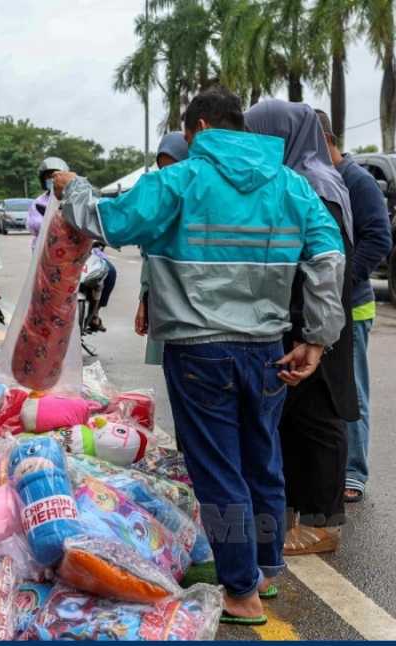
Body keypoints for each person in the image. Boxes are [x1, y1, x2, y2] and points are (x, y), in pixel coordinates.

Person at [54, 87, 345, 625]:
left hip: (197, 352)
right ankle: (263, 568)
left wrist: (73, 188)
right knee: (263, 461)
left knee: (219, 470)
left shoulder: (179, 181)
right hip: (267, 350)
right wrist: (318, 337)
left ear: (201, 127)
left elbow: (106, 220)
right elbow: (329, 255)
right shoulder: (290, 185)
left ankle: (241, 590)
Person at [245, 100, 358, 556]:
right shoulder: (299, 179)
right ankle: (296, 514)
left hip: (318, 323)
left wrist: (314, 332)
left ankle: (323, 524)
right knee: (295, 422)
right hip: (302, 319)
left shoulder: (315, 184)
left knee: (318, 422)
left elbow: (325, 266)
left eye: (259, 136)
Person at [315, 109, 392, 504]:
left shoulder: (356, 181)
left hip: (354, 305)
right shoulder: (323, 178)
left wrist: (345, 284)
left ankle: (355, 473)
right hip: (332, 303)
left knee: (354, 389)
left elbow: (379, 239)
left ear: (327, 140)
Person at [29, 157, 116, 330]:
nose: (52, 181)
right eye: (48, 177)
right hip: (49, 256)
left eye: (56, 176)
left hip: (81, 253)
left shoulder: (78, 198)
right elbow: (36, 225)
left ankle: (96, 313)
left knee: (110, 271)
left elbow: (92, 219)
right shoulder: (39, 204)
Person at [135, 132, 189, 366]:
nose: (170, 176)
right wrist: (144, 301)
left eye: (175, 167)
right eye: (163, 169)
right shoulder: (160, 205)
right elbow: (149, 260)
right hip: (162, 300)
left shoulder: (205, 203)